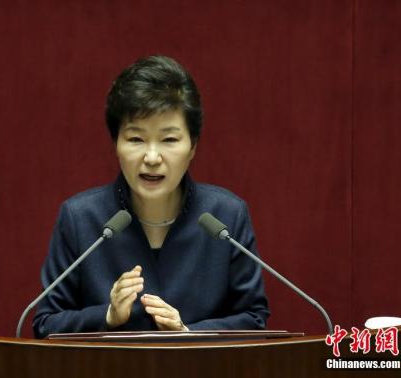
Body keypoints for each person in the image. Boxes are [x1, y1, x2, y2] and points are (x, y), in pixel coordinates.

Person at [32, 56, 269, 337]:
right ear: (115, 144)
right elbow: (44, 324)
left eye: (169, 140)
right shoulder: (80, 218)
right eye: (136, 139)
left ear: (193, 146)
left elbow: (254, 320)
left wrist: (189, 333)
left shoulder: (226, 216)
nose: (152, 158)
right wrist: (107, 315)